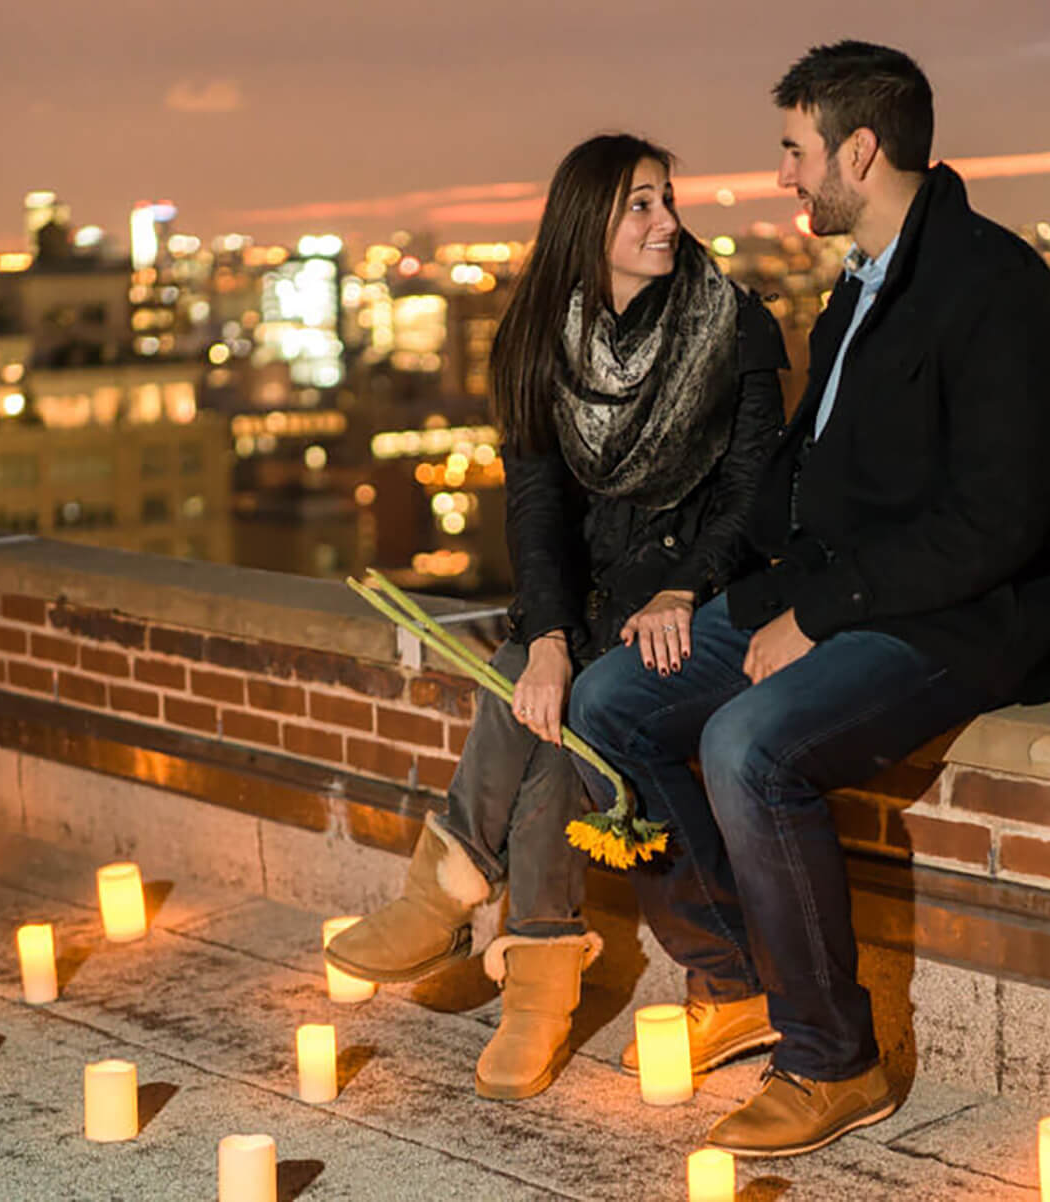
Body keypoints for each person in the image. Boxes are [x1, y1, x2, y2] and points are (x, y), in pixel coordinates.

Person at [569, 42, 1050, 1157]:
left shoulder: (997, 291)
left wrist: (816, 616)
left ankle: (832, 1057)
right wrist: (696, 585)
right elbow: (797, 483)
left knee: (750, 742)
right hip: (836, 594)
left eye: (795, 151)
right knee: (612, 698)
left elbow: (998, 528)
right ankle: (738, 976)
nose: (783, 177)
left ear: (861, 148)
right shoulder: (860, 284)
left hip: (962, 620)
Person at [326, 133, 788, 1101]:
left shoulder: (733, 323)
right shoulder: (538, 338)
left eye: (668, 200)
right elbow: (535, 505)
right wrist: (544, 636)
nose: (669, 222)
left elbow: (756, 492)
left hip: (705, 590)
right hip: (593, 601)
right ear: (590, 225)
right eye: (642, 206)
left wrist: (681, 587)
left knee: (563, 708)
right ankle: (531, 969)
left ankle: (453, 892)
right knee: (534, 686)